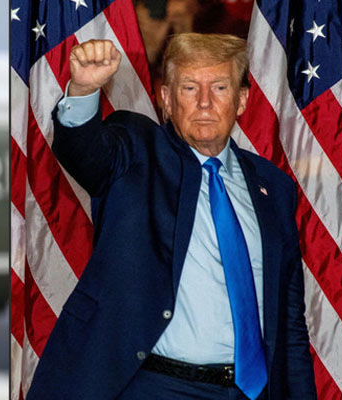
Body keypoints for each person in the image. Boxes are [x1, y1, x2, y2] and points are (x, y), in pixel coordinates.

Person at [26, 34, 316, 399]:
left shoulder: (274, 187)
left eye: (221, 87)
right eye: (190, 87)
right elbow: (85, 153)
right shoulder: (136, 151)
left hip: (250, 392)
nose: (205, 102)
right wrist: (83, 90)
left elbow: (289, 322)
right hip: (153, 387)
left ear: (242, 101)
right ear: (166, 99)